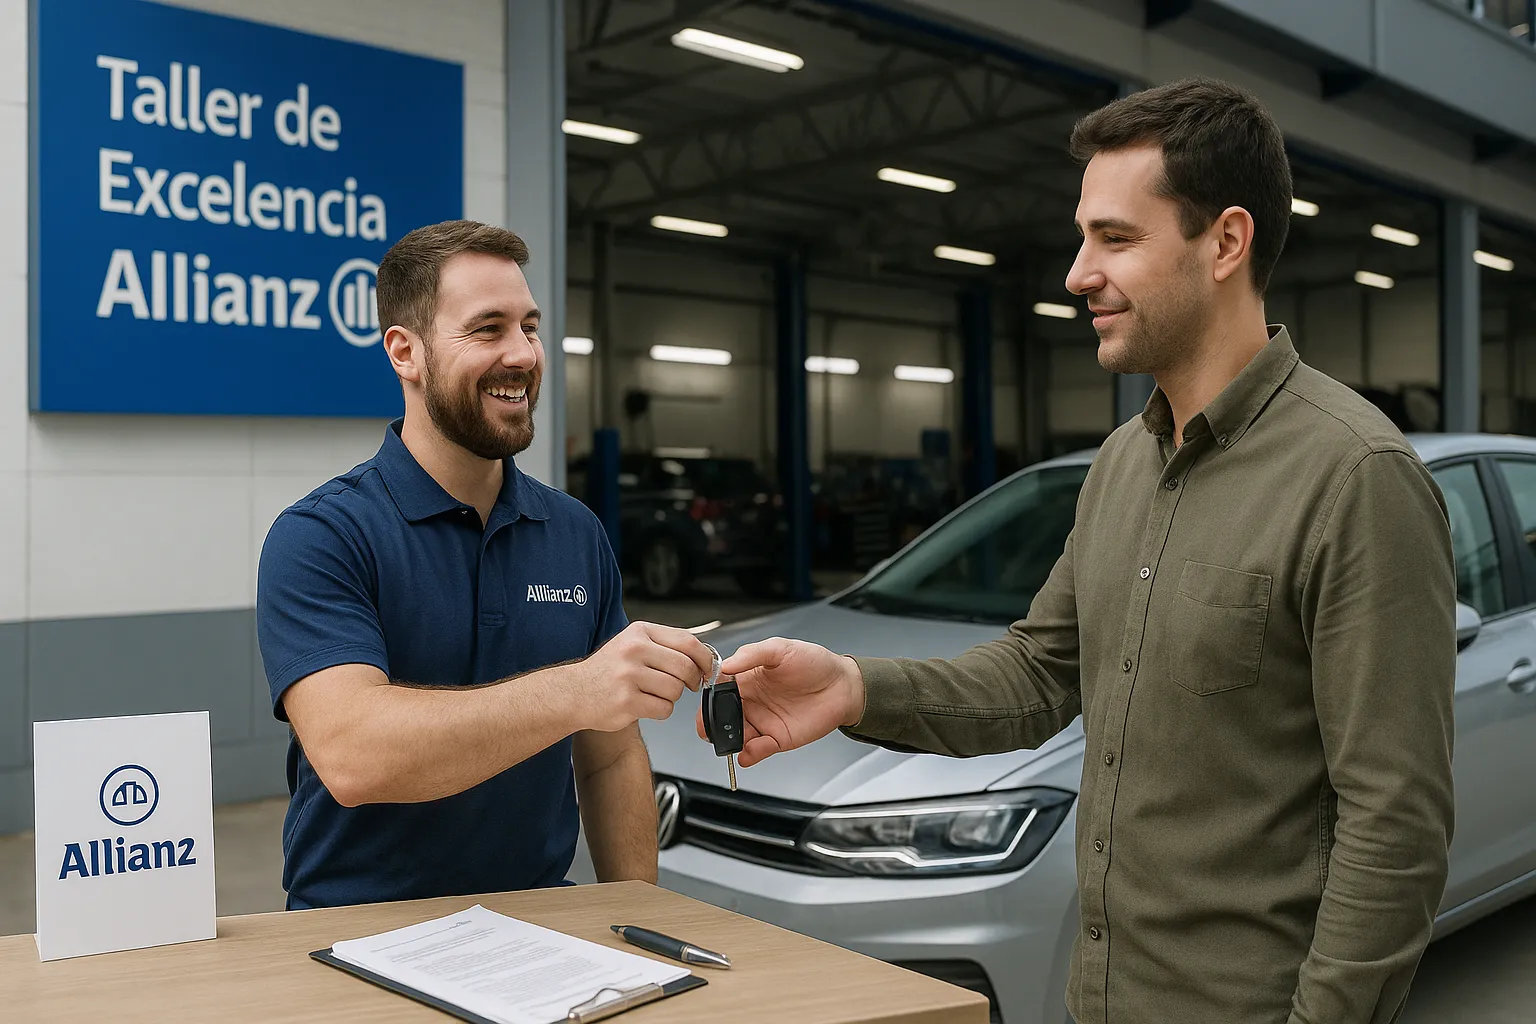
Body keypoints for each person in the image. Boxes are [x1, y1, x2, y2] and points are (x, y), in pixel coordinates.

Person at [711, 79, 1456, 1024]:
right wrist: (853, 688)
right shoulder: (1122, 463)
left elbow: (1396, 826)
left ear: (1226, 242)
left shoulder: (1355, 478)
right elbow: (1039, 675)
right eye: (1083, 237)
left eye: (1116, 238)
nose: (1076, 274)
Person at [257, 220, 713, 909]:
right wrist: (576, 690)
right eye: (488, 329)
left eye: (529, 327)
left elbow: (611, 755)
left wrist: (634, 914)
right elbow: (354, 755)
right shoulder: (324, 536)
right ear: (405, 353)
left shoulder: (574, 533)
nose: (523, 354)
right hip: (357, 931)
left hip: (538, 924)